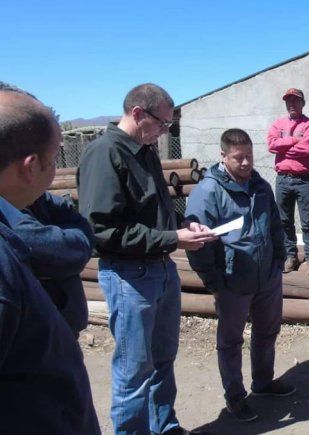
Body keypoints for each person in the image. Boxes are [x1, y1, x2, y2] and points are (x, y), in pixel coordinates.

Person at [78, 83, 218, 435]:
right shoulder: (104, 154)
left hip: (160, 269)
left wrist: (182, 225)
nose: (164, 131)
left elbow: (150, 211)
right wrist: (173, 238)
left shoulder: (145, 150)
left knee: (162, 360)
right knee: (133, 371)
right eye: (162, 123)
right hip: (129, 277)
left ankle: (164, 427)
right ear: (138, 113)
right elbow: (102, 230)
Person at [0, 83, 99, 433]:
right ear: (29, 167)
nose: (55, 169)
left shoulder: (29, 207)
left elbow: (79, 234)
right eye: (55, 157)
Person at [186, 128, 295, 423]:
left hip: (266, 278)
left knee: (267, 332)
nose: (246, 163)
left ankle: (263, 382)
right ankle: (235, 398)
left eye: (249, 156)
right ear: (223, 157)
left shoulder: (260, 186)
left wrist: (279, 259)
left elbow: (275, 223)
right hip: (232, 281)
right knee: (231, 342)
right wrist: (214, 282)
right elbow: (197, 244)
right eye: (238, 158)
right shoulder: (208, 192)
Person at [14, 192, 94, 337]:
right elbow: (64, 250)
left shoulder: (38, 197)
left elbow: (82, 234)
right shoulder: (9, 212)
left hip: (58, 332)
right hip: (32, 338)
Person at [267, 88, 309, 276]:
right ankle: (290, 256)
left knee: (307, 221)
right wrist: (292, 140)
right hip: (282, 179)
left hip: (303, 180)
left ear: (302, 103)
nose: (292, 104)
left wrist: (283, 148)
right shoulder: (278, 124)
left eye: (296, 100)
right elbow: (271, 145)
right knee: (284, 221)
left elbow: (307, 148)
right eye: (288, 101)